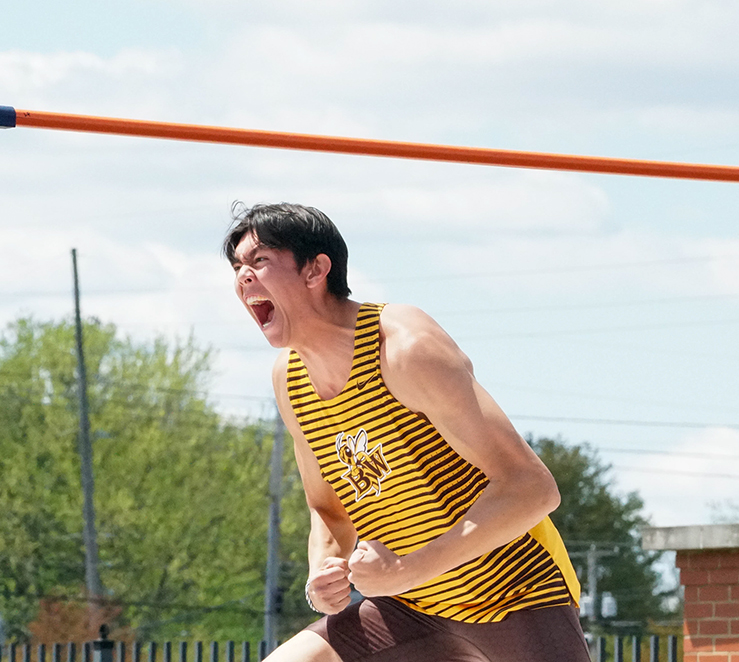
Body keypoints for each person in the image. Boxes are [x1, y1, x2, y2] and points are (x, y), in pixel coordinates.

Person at [224, 202, 588, 662]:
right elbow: (328, 510)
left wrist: (404, 571)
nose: (243, 277)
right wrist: (324, 572)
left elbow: (533, 489)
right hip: (411, 609)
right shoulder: (289, 380)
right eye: (237, 266)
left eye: (260, 261)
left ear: (317, 269)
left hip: (517, 594)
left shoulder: (403, 346)